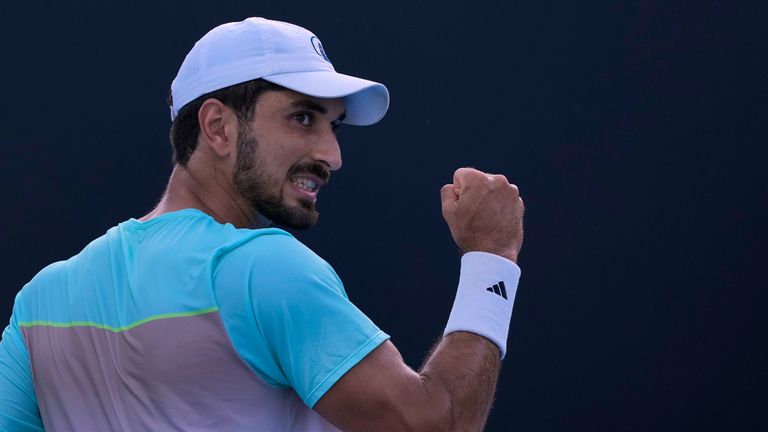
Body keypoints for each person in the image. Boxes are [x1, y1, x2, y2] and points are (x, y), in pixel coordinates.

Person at [0, 17, 524, 431]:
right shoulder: (263, 267)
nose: (332, 154)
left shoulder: (41, 302)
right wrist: (491, 258)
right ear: (217, 127)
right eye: (303, 117)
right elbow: (433, 425)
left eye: (333, 125)